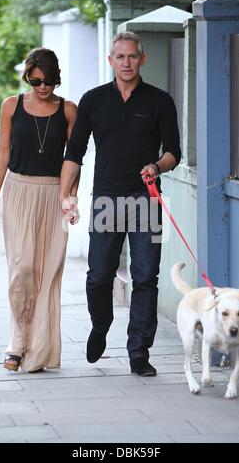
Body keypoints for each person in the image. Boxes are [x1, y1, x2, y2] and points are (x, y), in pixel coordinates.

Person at [60, 31, 181, 376]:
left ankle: (139, 351)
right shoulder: (93, 100)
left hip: (146, 200)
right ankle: (100, 326)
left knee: (145, 277)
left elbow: (174, 151)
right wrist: (64, 195)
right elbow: (75, 153)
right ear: (110, 61)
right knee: (99, 276)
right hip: (105, 200)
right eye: (120, 57)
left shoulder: (160, 101)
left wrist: (157, 166)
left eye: (132, 57)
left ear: (143, 60)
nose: (126, 63)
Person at [0, 48, 79, 373]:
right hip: (19, 190)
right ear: (28, 77)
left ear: (57, 79)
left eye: (49, 81)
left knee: (48, 274)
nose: (43, 87)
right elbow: (2, 153)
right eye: (36, 80)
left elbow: (74, 159)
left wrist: (71, 197)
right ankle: (18, 341)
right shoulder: (11, 106)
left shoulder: (68, 110)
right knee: (22, 270)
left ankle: (37, 350)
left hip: (54, 192)